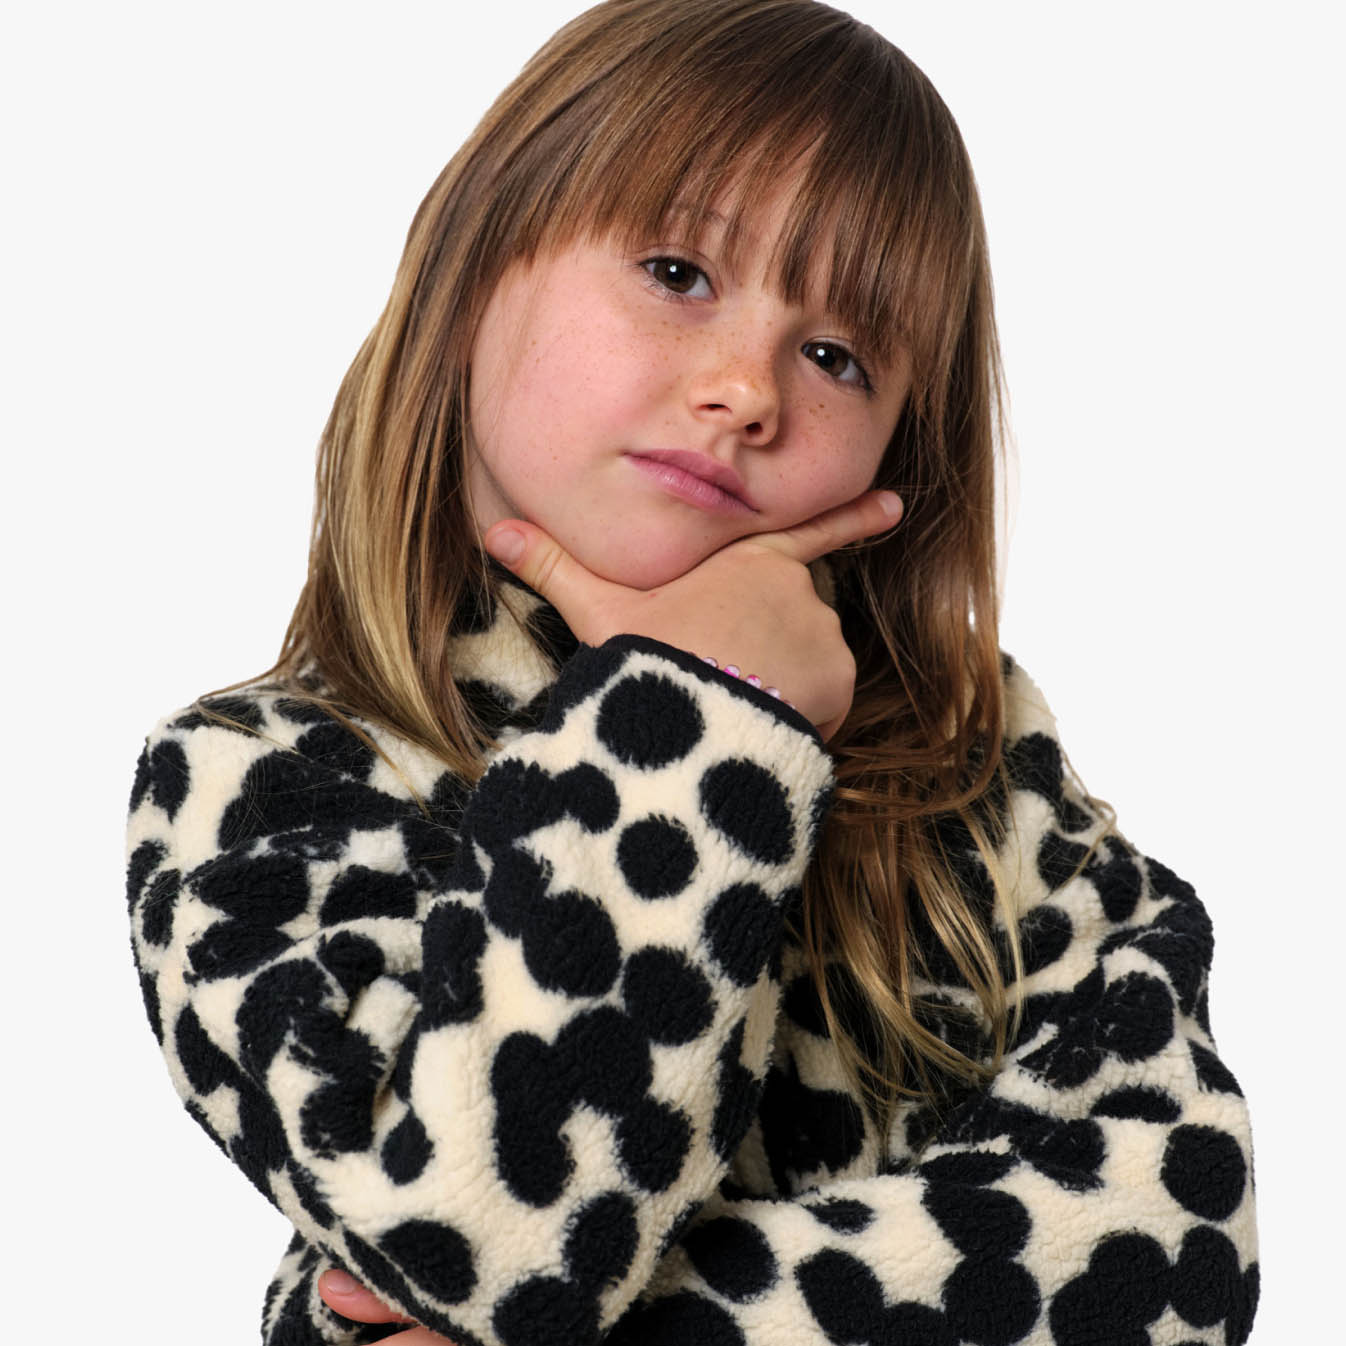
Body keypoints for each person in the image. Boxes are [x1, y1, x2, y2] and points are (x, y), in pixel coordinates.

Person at [124, 2, 1259, 1343]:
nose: (748, 390)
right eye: (677, 272)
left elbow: (1179, 1250)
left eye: (834, 357)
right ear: (473, 264)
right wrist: (697, 715)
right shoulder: (261, 782)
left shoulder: (972, 762)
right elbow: (492, 1237)